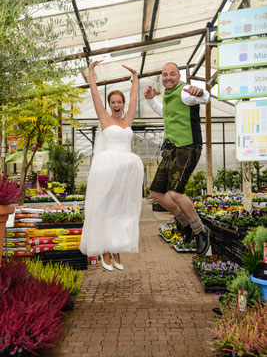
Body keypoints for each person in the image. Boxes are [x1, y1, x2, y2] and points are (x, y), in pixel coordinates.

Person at [80, 60, 144, 271]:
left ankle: (116, 248)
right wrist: (91, 72)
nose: (117, 105)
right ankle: (105, 250)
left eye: (119, 102)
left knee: (122, 211)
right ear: (110, 105)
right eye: (113, 102)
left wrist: (135, 76)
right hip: (108, 168)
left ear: (123, 104)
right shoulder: (105, 118)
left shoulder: (128, 120)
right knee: (106, 209)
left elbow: (135, 98)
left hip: (126, 171)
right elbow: (95, 95)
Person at [144, 62, 210, 256]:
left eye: (172, 74)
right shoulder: (168, 95)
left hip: (188, 146)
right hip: (171, 148)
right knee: (156, 193)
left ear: (179, 76)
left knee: (174, 193)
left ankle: (200, 231)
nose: (168, 78)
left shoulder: (185, 91)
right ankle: (184, 223)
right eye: (165, 75)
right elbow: (166, 114)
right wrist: (150, 100)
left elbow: (203, 97)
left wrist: (201, 92)